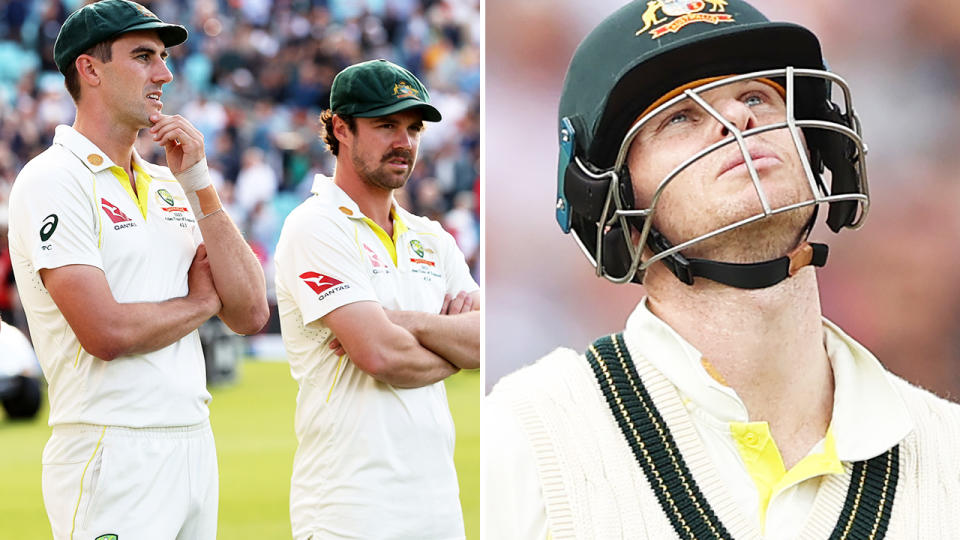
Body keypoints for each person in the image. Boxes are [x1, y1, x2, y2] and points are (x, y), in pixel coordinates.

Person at [484, 1, 960, 538]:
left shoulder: (950, 456)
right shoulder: (529, 436)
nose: (737, 118)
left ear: (819, 143)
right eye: (679, 117)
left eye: (757, 95)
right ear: (614, 203)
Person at [6, 1, 268, 538]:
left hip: (194, 440)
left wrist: (198, 181)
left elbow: (250, 312)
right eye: (145, 56)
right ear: (91, 69)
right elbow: (105, 331)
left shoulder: (171, 183)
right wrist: (198, 304)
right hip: (110, 445)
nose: (165, 74)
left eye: (165, 57)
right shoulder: (53, 178)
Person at [274, 59, 480, 539]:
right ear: (341, 128)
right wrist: (453, 346)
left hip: (438, 508)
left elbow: (483, 342)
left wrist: (403, 323)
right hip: (350, 510)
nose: (404, 142)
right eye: (386, 124)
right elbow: (381, 354)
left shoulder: (431, 236)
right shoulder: (315, 226)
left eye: (412, 128)